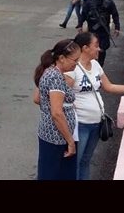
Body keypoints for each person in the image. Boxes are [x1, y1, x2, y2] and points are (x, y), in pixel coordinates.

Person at [66, 32, 124, 180]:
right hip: (80, 124)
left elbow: (109, 87)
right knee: (74, 163)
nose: (99, 49)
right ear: (85, 48)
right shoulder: (73, 70)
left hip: (96, 123)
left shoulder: (95, 65)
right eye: (96, 45)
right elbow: (63, 97)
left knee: (85, 161)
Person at [33, 39, 81, 180]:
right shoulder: (55, 77)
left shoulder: (53, 73)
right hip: (56, 138)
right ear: (61, 58)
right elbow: (57, 113)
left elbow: (40, 99)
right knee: (53, 174)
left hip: (57, 137)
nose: (76, 64)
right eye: (74, 60)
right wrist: (70, 141)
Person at [76, 0, 120, 66]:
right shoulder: (89, 2)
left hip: (104, 30)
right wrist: (80, 25)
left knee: (102, 49)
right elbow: (83, 14)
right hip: (92, 30)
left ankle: (100, 66)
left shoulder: (109, 2)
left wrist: (117, 27)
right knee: (91, 49)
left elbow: (115, 15)